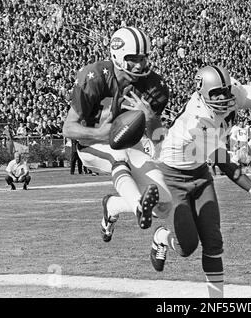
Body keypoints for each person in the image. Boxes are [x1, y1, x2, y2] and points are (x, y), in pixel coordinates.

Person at [151, 65, 251, 298]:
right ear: (202, 93)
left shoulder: (232, 94)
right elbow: (226, 165)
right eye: (215, 94)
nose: (222, 97)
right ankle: (161, 237)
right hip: (173, 177)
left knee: (213, 242)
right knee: (187, 247)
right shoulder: (198, 118)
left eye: (225, 91)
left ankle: (216, 301)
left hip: (199, 174)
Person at [62, 26, 173, 242]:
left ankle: (112, 205)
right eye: (133, 58)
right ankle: (138, 207)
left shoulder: (154, 85)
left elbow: (157, 137)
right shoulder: (94, 77)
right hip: (91, 145)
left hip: (132, 144)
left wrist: (150, 119)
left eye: (143, 57)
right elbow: (68, 128)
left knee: (165, 204)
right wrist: (100, 134)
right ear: (118, 55)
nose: (140, 64)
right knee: (118, 154)